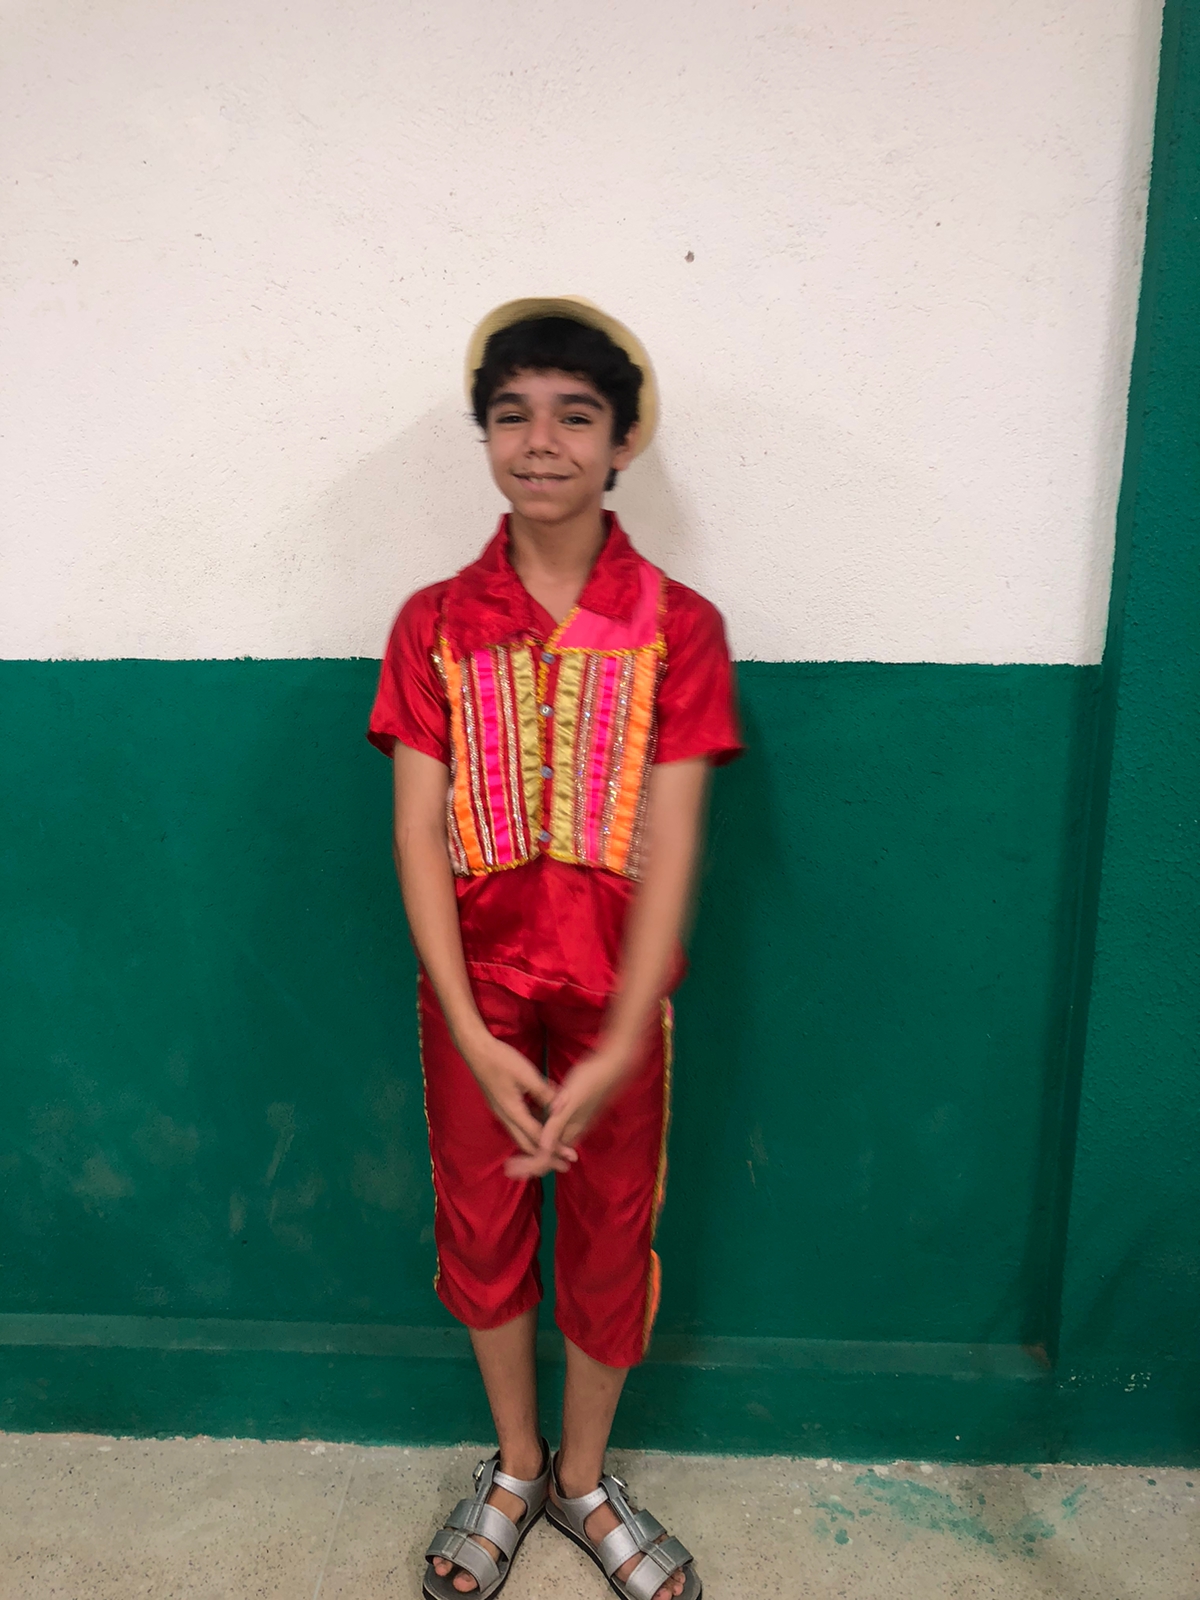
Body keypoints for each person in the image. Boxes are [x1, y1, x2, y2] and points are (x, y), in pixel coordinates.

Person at [368, 297, 741, 1600]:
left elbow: (675, 841)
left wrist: (626, 1034)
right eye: (512, 414)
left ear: (622, 440)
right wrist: (471, 1032)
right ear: (484, 436)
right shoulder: (432, 624)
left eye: (576, 416)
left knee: (609, 1230)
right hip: (473, 999)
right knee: (480, 1225)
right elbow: (417, 830)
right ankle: (516, 1466)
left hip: (614, 1007)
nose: (542, 442)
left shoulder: (677, 625)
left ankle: (585, 1478)